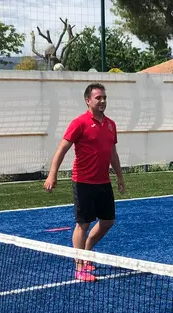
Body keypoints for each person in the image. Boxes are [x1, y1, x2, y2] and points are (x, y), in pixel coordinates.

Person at [44, 83, 125, 282]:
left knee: (107, 222)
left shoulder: (111, 124)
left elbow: (113, 154)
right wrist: (52, 174)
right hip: (83, 182)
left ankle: (86, 252)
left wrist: (120, 177)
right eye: (98, 98)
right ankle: (80, 267)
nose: (102, 101)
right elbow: (62, 149)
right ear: (88, 100)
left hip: (103, 182)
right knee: (83, 224)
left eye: (104, 97)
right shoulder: (79, 123)